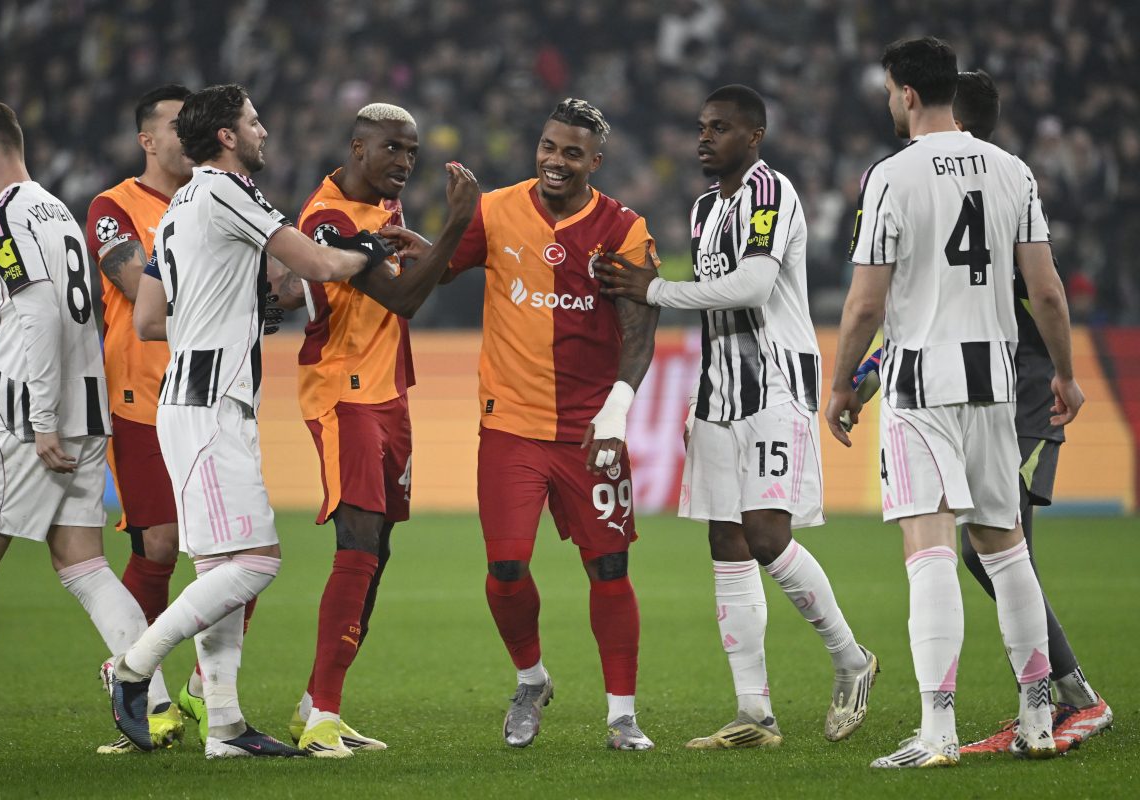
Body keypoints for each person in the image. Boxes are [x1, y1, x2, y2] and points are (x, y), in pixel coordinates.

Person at [103, 84, 388, 758]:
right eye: (255, 122)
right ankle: (133, 665)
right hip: (210, 406)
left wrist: (227, 304)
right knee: (257, 561)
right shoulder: (228, 190)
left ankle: (225, 727)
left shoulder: (175, 208)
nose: (264, 131)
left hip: (191, 401)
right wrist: (368, 252)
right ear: (227, 137)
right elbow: (314, 263)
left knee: (220, 569)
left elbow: (148, 320)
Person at [594, 85, 878, 750]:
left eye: (719, 128)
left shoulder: (767, 192)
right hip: (721, 391)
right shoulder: (702, 209)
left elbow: (752, 287)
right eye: (700, 127)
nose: (703, 138)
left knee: (767, 535)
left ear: (752, 136)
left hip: (776, 384)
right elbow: (721, 312)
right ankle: (755, 712)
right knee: (726, 542)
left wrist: (656, 289)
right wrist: (698, 399)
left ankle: (851, 659)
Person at [825, 38, 1083, 767]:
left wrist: (843, 382)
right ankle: (1038, 717)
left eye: (887, 90)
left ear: (906, 92)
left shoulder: (892, 176)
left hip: (920, 382)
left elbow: (865, 303)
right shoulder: (1012, 170)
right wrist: (1065, 374)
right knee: (1005, 547)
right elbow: (1049, 291)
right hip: (997, 379)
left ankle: (937, 730)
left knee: (929, 545)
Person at [442, 99, 660, 750]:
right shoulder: (497, 210)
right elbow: (438, 269)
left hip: (590, 431)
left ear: (595, 161)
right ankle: (531, 678)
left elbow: (641, 327)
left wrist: (618, 407)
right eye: (547, 147)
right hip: (509, 424)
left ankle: (621, 715)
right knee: (505, 570)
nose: (555, 161)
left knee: (610, 568)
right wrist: (435, 235)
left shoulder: (622, 227)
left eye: (571, 152)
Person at [0, 102, 152, 755]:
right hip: (85, 410)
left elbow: (35, 313)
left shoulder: (4, 215)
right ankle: (158, 698)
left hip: (33, 416)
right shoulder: (57, 209)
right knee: (84, 564)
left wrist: (34, 417)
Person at [274, 103, 479, 758]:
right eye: (392, 149)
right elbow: (403, 299)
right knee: (358, 539)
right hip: (343, 393)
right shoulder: (329, 219)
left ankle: (317, 703)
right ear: (358, 148)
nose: (404, 163)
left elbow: (405, 283)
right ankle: (322, 717)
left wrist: (435, 247)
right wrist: (454, 227)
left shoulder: (382, 212)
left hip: (388, 391)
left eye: (412, 153)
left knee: (379, 549)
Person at [946, 70, 1110, 754]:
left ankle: (1066, 702)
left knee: (999, 548)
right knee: (990, 550)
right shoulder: (999, 181)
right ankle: (1054, 697)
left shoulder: (1001, 184)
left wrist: (1065, 375)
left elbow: (1044, 290)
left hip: (1022, 385)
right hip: (986, 383)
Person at [85, 83, 193, 754]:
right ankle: (132, 679)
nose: (193, 134)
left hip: (205, 397)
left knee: (233, 553)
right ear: (147, 139)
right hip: (141, 402)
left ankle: (205, 696)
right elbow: (132, 283)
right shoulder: (112, 207)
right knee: (160, 547)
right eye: (180, 125)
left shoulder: (214, 198)